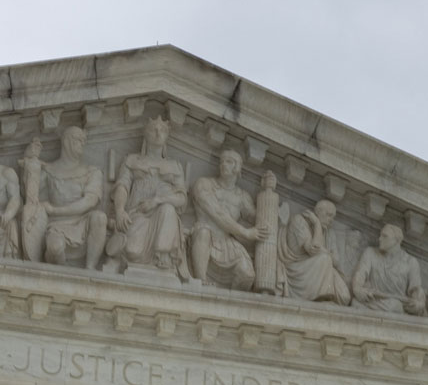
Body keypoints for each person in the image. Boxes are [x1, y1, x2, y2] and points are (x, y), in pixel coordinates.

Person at [105, 117, 188, 275]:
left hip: (164, 217)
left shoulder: (175, 166)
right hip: (137, 213)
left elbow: (182, 199)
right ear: (145, 134)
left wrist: (157, 200)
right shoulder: (132, 160)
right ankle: (121, 246)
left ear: (167, 136)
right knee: (132, 251)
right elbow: (122, 186)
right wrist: (120, 211)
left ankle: (163, 257)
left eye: (162, 130)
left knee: (168, 209)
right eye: (153, 129)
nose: (158, 133)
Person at [20, 128, 108, 268]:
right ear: (66, 142)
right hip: (56, 225)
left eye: (84, 141)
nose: (82, 143)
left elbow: (90, 201)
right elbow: (30, 197)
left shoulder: (92, 171)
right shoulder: (49, 170)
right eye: (78, 139)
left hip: (83, 222)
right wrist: (30, 161)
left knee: (100, 217)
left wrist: (55, 210)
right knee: (55, 247)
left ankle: (90, 270)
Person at [188, 148, 265, 289]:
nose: (224, 164)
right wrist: (245, 232)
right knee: (203, 231)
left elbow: (259, 220)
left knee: (247, 274)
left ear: (238, 167)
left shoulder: (242, 197)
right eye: (222, 161)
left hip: (227, 242)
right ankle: (200, 280)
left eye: (229, 161)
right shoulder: (204, 184)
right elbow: (217, 213)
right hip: (205, 237)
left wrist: (268, 194)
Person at [279, 198, 351, 304]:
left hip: (319, 268)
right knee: (325, 259)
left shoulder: (330, 233)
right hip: (297, 269)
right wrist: (317, 224)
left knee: (344, 297)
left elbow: (336, 261)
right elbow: (313, 249)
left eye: (333, 217)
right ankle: (323, 298)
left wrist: (324, 252)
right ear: (317, 212)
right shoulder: (299, 220)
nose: (331, 220)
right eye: (329, 215)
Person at [351, 223, 426, 314]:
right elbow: (360, 274)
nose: (379, 239)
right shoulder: (370, 253)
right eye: (380, 235)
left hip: (395, 303)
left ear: (397, 240)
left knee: (394, 306)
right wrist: (357, 288)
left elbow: (416, 289)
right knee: (355, 303)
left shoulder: (410, 262)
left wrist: (418, 302)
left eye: (385, 236)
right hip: (372, 299)